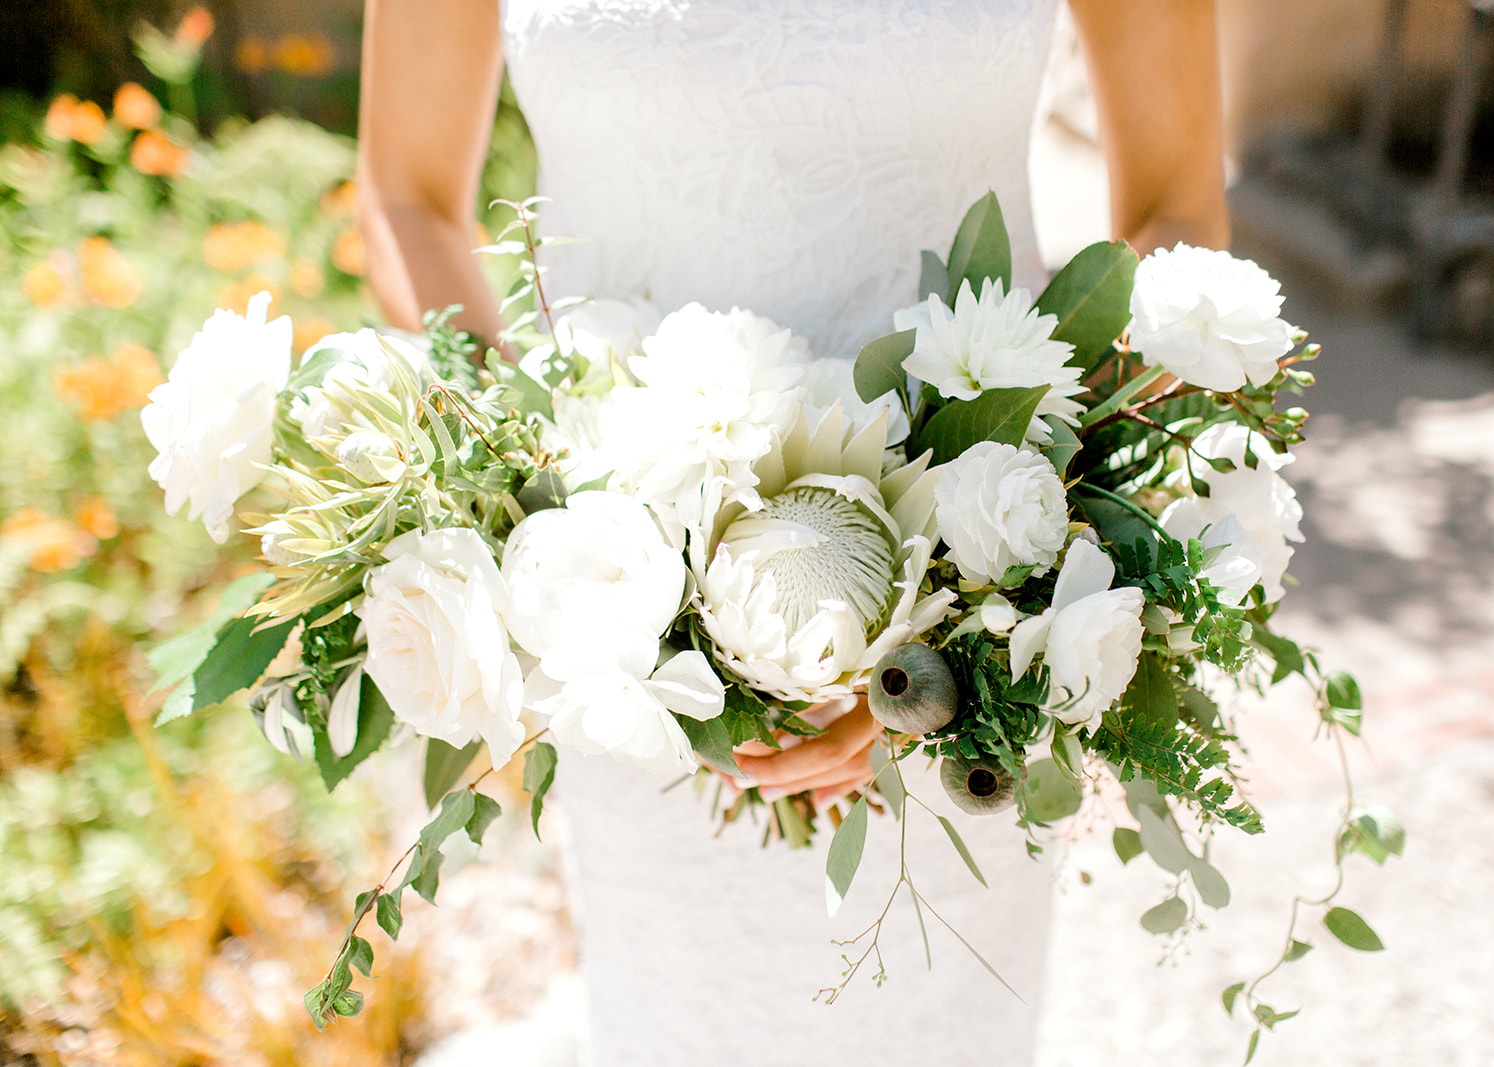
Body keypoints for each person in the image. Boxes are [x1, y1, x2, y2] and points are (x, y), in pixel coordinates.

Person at [358, 2, 1228, 1063]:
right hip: (629, 642)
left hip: (965, 646)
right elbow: (407, 197)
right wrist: (537, 512)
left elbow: (1175, 204)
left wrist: (964, 612)